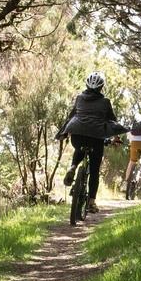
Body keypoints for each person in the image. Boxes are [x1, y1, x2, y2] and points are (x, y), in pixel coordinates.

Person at [57, 72, 126, 213]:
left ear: (86, 85)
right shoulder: (105, 102)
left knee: (79, 149)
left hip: (77, 135)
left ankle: (73, 166)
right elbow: (112, 120)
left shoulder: (79, 98)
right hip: (96, 137)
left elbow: (71, 116)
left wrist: (63, 132)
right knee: (94, 171)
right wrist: (116, 137)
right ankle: (91, 203)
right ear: (101, 87)